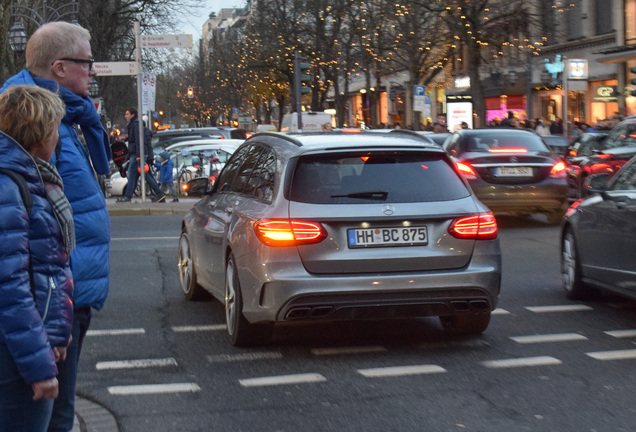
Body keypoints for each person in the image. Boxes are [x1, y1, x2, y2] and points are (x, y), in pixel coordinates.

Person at [0, 21, 112, 432]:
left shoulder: (64, 114)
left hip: (64, 292)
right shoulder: (35, 120)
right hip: (52, 301)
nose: (94, 71)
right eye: (88, 62)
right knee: (53, 415)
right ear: (60, 68)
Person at [0, 85, 74, 432]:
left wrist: (55, 335)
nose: (58, 137)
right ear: (40, 131)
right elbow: (10, 287)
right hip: (14, 357)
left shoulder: (26, 178)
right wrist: (39, 366)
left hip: (26, 344)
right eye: (55, 128)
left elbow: (45, 269)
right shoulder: (10, 186)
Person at [116, 108, 165, 203]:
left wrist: (139, 154)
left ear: (132, 115)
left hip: (136, 155)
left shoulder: (135, 125)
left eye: (127, 114)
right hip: (136, 154)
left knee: (132, 175)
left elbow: (139, 141)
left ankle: (128, 197)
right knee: (145, 175)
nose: (125, 116)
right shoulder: (135, 125)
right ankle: (159, 194)